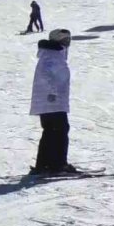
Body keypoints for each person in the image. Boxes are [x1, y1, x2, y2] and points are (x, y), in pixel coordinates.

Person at [30, 29, 75, 175]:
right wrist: (53, 92)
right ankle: (57, 164)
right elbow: (47, 75)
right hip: (52, 101)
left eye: (69, 40)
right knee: (59, 130)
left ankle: (45, 164)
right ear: (57, 40)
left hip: (51, 101)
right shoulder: (52, 56)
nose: (68, 43)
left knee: (51, 131)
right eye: (65, 40)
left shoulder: (53, 54)